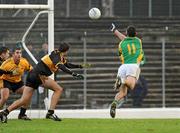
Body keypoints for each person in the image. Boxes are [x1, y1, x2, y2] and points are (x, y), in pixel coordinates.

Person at [0, 42, 90, 123]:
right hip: (39, 76)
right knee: (58, 89)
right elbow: (61, 66)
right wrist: (73, 74)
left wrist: (80, 66)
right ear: (66, 51)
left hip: (32, 75)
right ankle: (50, 112)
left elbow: (66, 64)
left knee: (24, 99)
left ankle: (5, 112)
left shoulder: (58, 55)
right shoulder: (56, 56)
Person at [109, 23, 145, 118]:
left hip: (122, 67)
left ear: (126, 33)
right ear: (136, 34)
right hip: (133, 66)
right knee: (132, 86)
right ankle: (122, 81)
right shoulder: (138, 41)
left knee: (123, 93)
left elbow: (123, 39)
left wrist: (114, 30)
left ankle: (114, 104)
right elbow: (126, 38)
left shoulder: (122, 43)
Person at [0, 44, 32, 120]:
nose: (19, 55)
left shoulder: (24, 61)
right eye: (17, 53)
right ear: (13, 54)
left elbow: (31, 69)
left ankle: (22, 114)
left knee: (29, 93)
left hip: (17, 82)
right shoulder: (6, 64)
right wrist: (9, 73)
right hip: (5, 80)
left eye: (20, 53)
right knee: (4, 98)